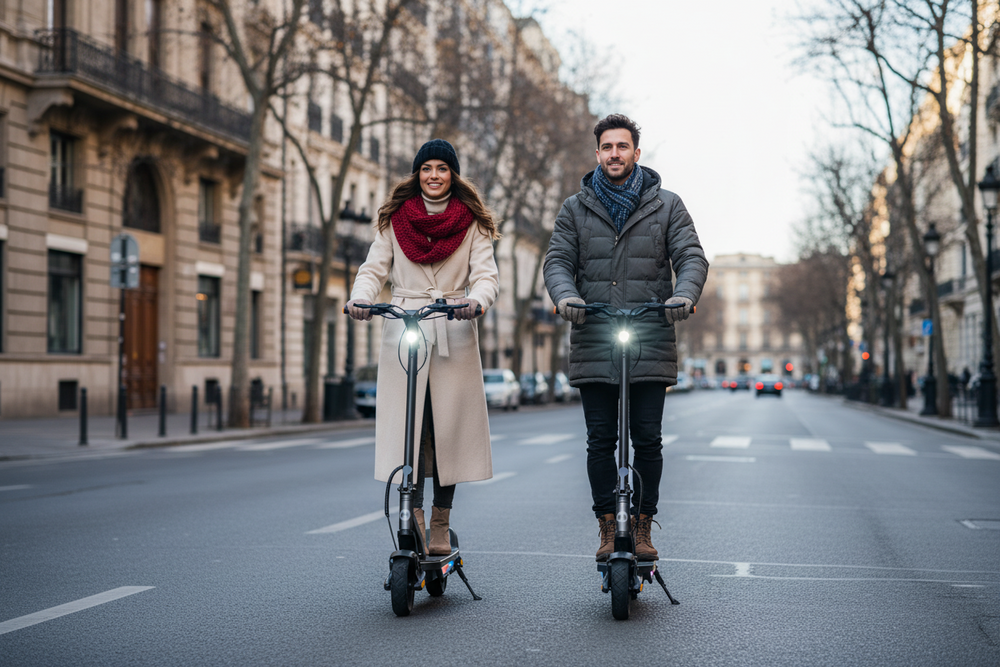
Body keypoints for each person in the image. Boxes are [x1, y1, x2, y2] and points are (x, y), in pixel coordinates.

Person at [544, 114, 708, 562]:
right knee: (600, 440)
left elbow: (691, 256)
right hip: (594, 334)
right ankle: (605, 526)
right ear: (597, 153)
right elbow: (557, 261)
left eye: (622, 146)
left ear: (637, 152)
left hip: (650, 334)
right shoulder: (574, 208)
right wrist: (566, 297)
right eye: (607, 147)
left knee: (648, 439)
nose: (614, 153)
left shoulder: (668, 205)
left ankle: (640, 526)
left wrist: (683, 294)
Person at [346, 139, 500, 555]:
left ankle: (440, 522)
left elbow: (486, 276)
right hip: (405, 329)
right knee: (408, 431)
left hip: (453, 325)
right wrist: (361, 298)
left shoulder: (473, 223)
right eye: (426, 168)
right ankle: (411, 512)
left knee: (447, 432)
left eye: (442, 168)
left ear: (454, 174)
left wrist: (477, 301)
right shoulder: (394, 221)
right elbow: (372, 269)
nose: (434, 175)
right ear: (417, 174)